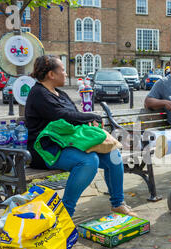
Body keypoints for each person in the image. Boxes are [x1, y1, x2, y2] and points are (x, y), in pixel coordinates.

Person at [25, 55, 137, 218]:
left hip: (69, 144)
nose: (65, 73)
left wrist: (88, 121)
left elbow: (74, 114)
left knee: (114, 156)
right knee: (88, 161)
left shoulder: (60, 93)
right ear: (51, 74)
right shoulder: (38, 93)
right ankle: (65, 213)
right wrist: (92, 117)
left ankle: (118, 204)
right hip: (46, 149)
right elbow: (61, 115)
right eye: (62, 70)